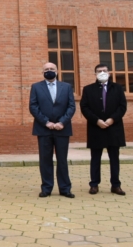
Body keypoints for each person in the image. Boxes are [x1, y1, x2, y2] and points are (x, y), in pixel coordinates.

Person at [29, 62, 76, 198]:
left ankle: (65, 188)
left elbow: (71, 106)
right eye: (46, 69)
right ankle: (46, 188)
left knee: (62, 159)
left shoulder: (66, 87)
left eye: (52, 69)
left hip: (63, 129)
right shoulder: (36, 87)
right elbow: (33, 107)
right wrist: (46, 122)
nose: (49, 71)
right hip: (44, 129)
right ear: (42, 72)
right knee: (45, 160)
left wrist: (62, 122)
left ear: (57, 71)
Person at [80, 64, 127, 196]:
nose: (102, 73)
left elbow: (122, 106)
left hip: (114, 128)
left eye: (104, 71)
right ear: (95, 73)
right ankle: (94, 184)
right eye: (99, 71)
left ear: (109, 73)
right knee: (95, 158)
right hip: (96, 128)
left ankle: (116, 185)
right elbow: (84, 107)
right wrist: (97, 121)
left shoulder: (117, 88)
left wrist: (112, 119)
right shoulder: (88, 89)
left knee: (114, 158)